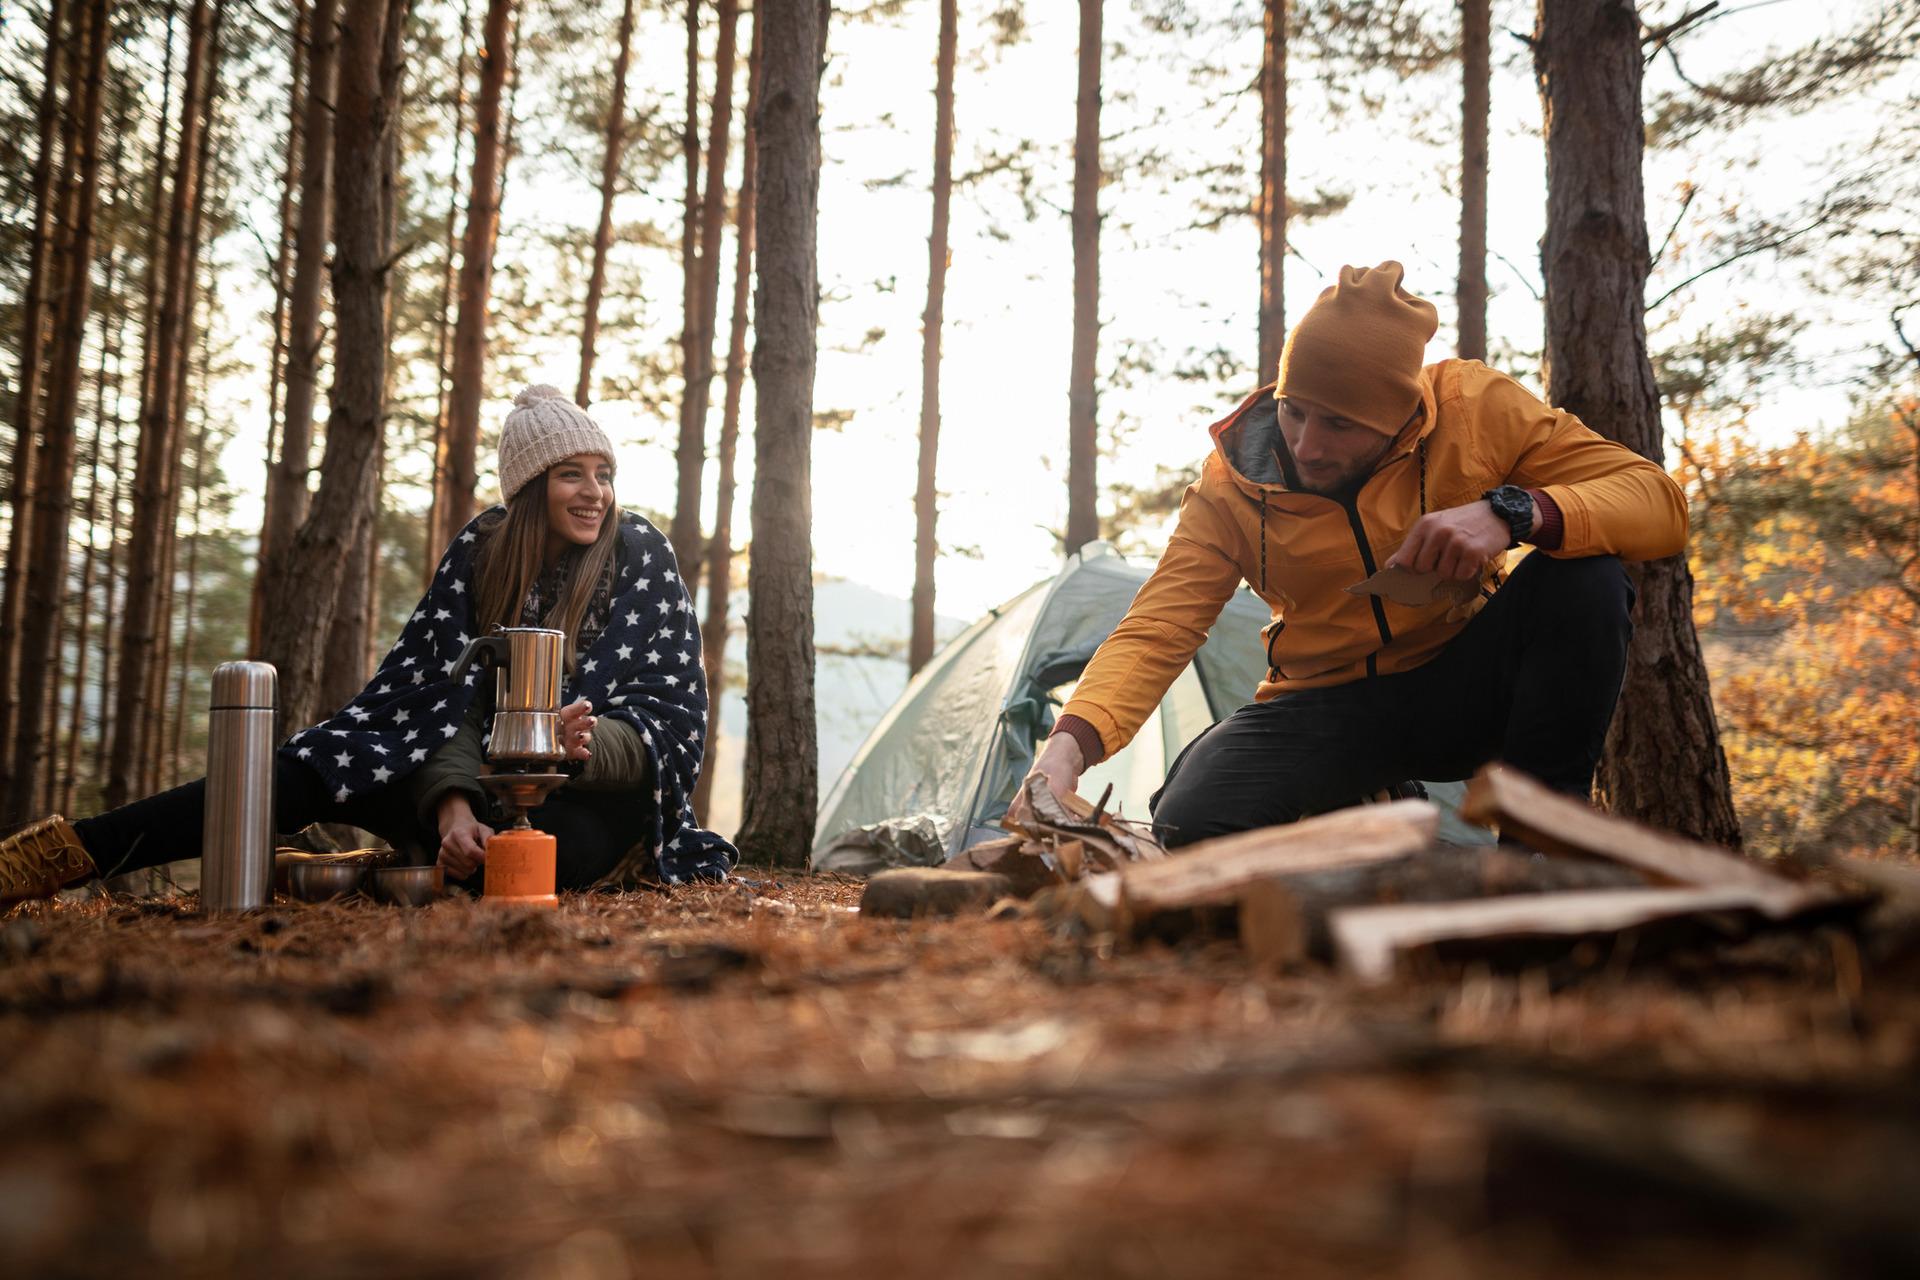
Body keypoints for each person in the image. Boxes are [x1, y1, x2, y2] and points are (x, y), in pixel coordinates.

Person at [1015, 262, 1687, 847]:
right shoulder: (1230, 487)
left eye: (1339, 424)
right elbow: (1159, 626)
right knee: (1190, 824)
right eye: (1294, 410)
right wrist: (1066, 749)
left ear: (1399, 420)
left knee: (1587, 577)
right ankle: (1373, 811)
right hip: (1323, 704)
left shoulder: (1474, 410)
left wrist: (1514, 512)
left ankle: (1538, 855)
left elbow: (1658, 500)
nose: (1307, 446)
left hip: (1467, 685)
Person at [0, 385, 733, 906]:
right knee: (308, 767)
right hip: (468, 777)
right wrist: (453, 809)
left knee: (529, 862)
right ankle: (62, 855)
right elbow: (436, 700)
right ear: (531, 485)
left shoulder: (639, 555)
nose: (594, 492)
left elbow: (668, 723)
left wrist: (578, 747)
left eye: (603, 474)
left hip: (588, 799)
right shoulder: (483, 555)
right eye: (572, 474)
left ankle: (403, 863)